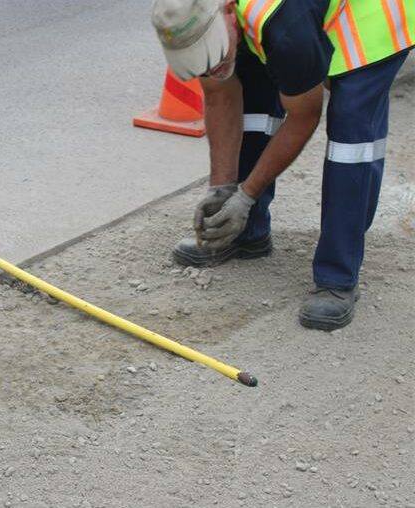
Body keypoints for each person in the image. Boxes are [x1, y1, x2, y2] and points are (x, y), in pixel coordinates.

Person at [151, 0, 412, 331]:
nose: (213, 69)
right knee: (249, 85)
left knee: (351, 137)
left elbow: (304, 116)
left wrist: (245, 195)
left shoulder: (285, 28)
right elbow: (220, 94)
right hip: (288, 23)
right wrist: (222, 189)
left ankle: (338, 276)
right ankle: (247, 232)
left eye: (214, 56)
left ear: (229, 15)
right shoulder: (198, 14)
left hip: (372, 18)